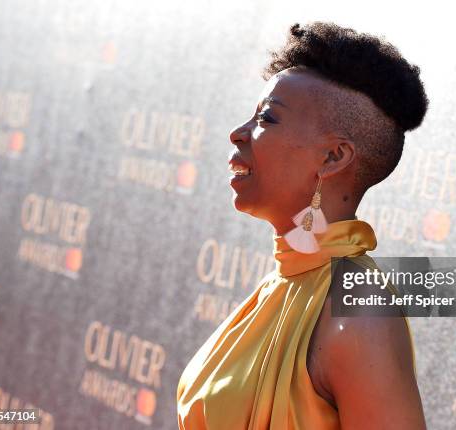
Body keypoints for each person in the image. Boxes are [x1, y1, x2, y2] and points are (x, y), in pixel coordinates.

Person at [177, 21, 429, 429]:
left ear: (333, 158)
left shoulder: (360, 312)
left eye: (267, 119)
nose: (238, 133)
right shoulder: (283, 282)